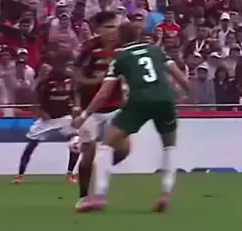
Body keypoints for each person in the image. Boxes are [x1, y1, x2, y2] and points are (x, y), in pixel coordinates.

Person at [73, 22, 192, 213]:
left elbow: (104, 93)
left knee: (106, 144)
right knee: (169, 146)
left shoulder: (120, 57)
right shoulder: (156, 51)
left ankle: (100, 196)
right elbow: (180, 77)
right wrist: (188, 94)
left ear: (120, 38)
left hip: (139, 101)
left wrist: (85, 114)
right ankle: (165, 194)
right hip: (164, 99)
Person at [72, 11, 125, 205]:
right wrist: (95, 82)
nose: (113, 31)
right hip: (91, 109)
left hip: (115, 107)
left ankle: (100, 167)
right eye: (109, 27)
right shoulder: (89, 49)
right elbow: (76, 76)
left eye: (115, 26)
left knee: (125, 150)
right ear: (98, 29)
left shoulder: (122, 48)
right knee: (88, 155)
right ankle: (83, 197)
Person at [12, 55, 79, 184]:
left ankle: (70, 174)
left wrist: (76, 108)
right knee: (31, 145)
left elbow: (75, 95)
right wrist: (40, 112)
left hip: (64, 118)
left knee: (76, 142)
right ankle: (20, 175)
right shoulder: (45, 83)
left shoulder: (69, 82)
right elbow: (35, 99)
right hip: (47, 120)